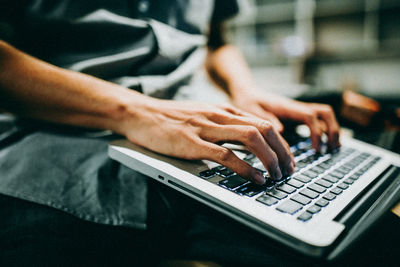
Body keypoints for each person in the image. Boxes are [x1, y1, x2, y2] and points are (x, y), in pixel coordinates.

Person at [0, 0, 349, 266]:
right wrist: (135, 111)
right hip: (53, 141)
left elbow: (215, 40)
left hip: (206, 128)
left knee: (354, 231)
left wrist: (245, 91)